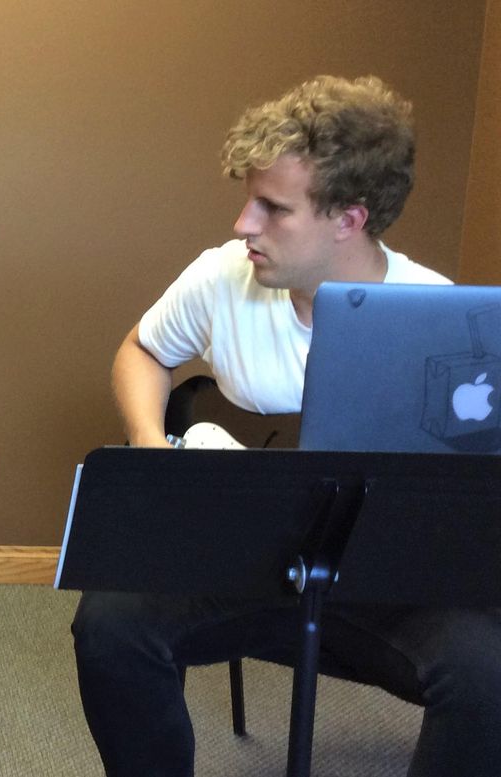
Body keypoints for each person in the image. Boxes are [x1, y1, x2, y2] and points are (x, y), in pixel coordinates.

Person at [72, 75, 501, 776]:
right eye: (250, 199)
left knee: (487, 675)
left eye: (273, 208)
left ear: (349, 219)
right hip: (236, 557)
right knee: (111, 626)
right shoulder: (222, 278)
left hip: (381, 585)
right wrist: (151, 445)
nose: (244, 223)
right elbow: (144, 350)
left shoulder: (439, 315)